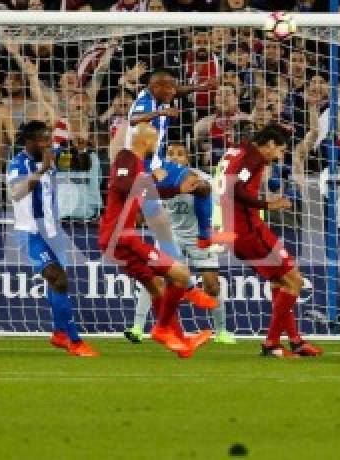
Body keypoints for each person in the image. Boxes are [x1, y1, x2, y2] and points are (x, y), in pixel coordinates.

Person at [98, 123, 214, 358]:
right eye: (155, 140)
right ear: (146, 141)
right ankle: (162, 328)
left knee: (157, 286)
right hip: (121, 237)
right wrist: (151, 177)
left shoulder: (138, 165)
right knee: (180, 274)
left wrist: (177, 189)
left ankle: (181, 343)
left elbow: (146, 191)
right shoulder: (126, 157)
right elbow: (120, 185)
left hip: (119, 238)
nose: (157, 144)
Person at [218, 124, 321, 357]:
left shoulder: (240, 150)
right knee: (294, 281)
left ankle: (295, 341)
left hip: (245, 229)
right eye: (280, 150)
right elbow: (236, 189)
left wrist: (282, 128)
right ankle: (272, 343)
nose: (280, 156)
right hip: (249, 232)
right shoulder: (253, 159)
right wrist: (268, 204)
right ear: (270, 145)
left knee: (281, 283)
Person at [126, 143, 234, 346]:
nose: (174, 158)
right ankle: (137, 328)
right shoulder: (159, 178)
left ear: (188, 158)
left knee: (212, 284)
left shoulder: (201, 179)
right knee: (154, 280)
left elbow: (216, 205)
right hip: (170, 235)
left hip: (197, 237)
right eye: (170, 154)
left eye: (180, 154)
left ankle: (221, 331)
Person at [7, 121, 97, 357]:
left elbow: (82, 165)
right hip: (30, 233)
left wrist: (81, 151)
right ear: (30, 142)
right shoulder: (19, 164)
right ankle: (75, 341)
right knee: (59, 279)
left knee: (57, 284)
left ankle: (59, 333)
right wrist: (41, 171)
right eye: (44, 140)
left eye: (50, 140)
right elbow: (15, 194)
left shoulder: (53, 156)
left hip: (53, 232)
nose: (49, 144)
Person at [117, 68, 217, 245]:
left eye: (173, 87)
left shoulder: (158, 94)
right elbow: (134, 119)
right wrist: (162, 113)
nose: (173, 91)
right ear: (155, 87)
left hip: (156, 164)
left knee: (202, 187)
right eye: (169, 88)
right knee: (199, 188)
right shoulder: (146, 102)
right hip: (143, 168)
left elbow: (177, 90)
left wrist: (199, 88)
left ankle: (204, 235)